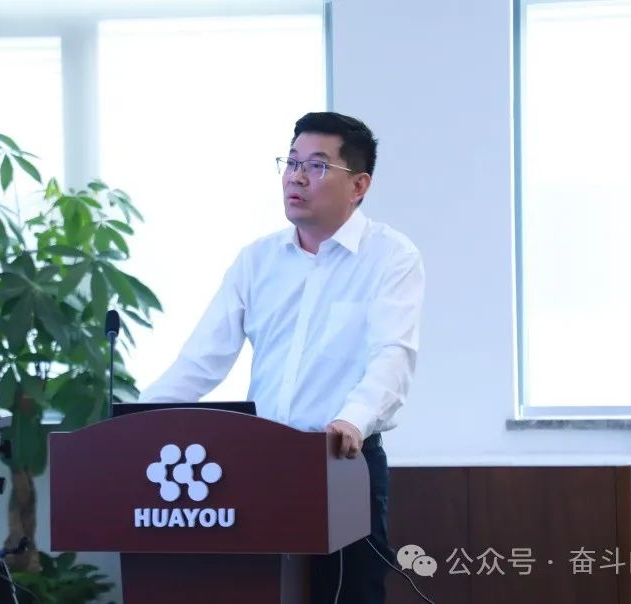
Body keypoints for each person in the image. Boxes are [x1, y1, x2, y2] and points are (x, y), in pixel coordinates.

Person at [139, 111, 425, 603]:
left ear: (359, 185)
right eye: (291, 162)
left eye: (317, 165)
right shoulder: (257, 260)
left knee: (350, 594)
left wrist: (353, 419)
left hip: (342, 461)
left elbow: (391, 356)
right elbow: (200, 362)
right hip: (260, 466)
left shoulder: (391, 257)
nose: (296, 176)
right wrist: (133, 420)